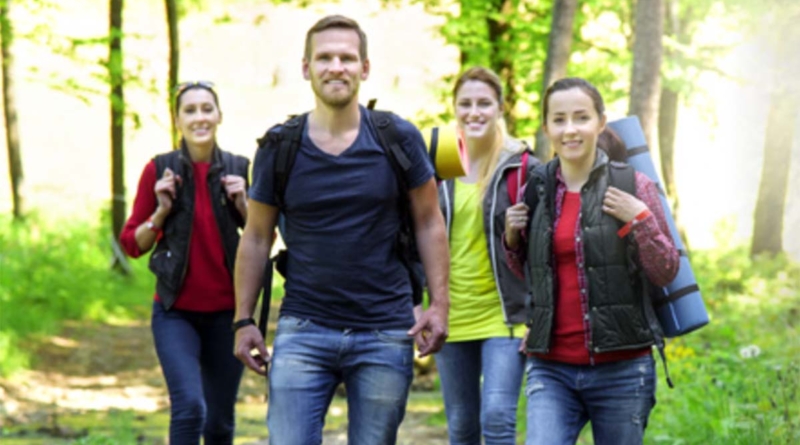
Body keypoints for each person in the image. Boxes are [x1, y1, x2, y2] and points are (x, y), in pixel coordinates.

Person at [232, 15, 450, 445]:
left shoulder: (397, 138)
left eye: (347, 58)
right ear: (306, 68)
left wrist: (438, 305)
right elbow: (256, 237)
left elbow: (429, 221)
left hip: (385, 330)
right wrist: (243, 320)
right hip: (304, 329)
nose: (337, 67)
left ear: (364, 68)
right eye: (325, 57)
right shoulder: (281, 147)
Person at [503, 77, 679, 445]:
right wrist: (512, 239)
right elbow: (529, 274)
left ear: (601, 123)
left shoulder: (633, 184)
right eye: (559, 119)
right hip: (550, 366)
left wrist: (641, 220)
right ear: (547, 126)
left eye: (581, 118)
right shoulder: (535, 187)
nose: (570, 129)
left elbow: (665, 269)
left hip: (623, 368)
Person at [119, 81, 249, 445]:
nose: (200, 117)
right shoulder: (158, 170)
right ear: (177, 120)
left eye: (207, 108)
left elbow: (264, 242)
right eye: (190, 111)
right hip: (175, 313)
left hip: (228, 316)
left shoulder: (240, 169)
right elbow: (132, 244)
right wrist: (161, 210)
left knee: (219, 424)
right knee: (191, 407)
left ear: (219, 115)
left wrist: (244, 205)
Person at [433, 66, 538, 445]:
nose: (474, 112)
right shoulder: (438, 164)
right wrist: (420, 303)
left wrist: (537, 314)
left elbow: (542, 251)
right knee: (461, 427)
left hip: (505, 314)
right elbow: (413, 240)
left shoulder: (523, 167)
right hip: (451, 315)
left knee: (497, 417)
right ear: (454, 108)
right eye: (465, 104)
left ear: (500, 108)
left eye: (484, 103)